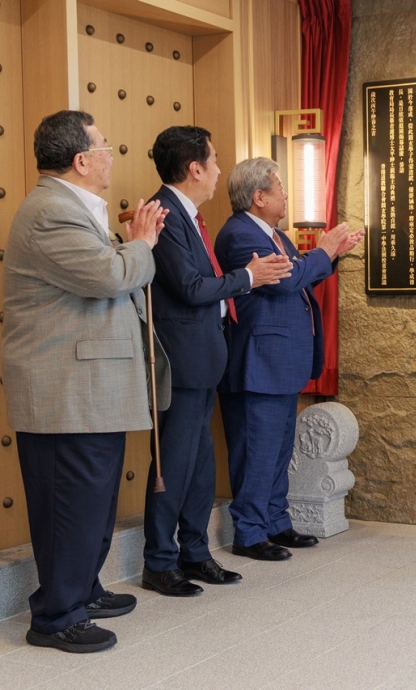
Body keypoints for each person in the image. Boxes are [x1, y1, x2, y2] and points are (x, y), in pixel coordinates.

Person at [1, 110, 170, 653]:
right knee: (70, 505)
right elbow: (109, 275)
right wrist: (141, 242)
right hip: (65, 390)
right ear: (81, 160)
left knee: (91, 502)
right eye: (105, 147)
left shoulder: (70, 207)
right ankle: (56, 617)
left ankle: (82, 591)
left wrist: (129, 245)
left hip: (89, 387)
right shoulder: (51, 211)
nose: (110, 156)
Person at [142, 127, 292, 596]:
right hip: (182, 359)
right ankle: (159, 561)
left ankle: (194, 551)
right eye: (214, 160)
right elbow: (190, 288)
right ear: (195, 169)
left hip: (205, 356)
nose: (219, 170)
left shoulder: (190, 216)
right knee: (174, 463)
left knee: (201, 464)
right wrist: (247, 277)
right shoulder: (165, 214)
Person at [214, 157, 364, 561]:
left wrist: (330, 256)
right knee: (257, 451)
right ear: (259, 197)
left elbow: (300, 275)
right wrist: (322, 251)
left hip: (278, 360)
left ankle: (275, 521)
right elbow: (285, 281)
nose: (285, 194)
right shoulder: (240, 233)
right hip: (257, 361)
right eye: (279, 187)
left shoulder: (274, 234)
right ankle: (249, 532)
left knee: (278, 450)